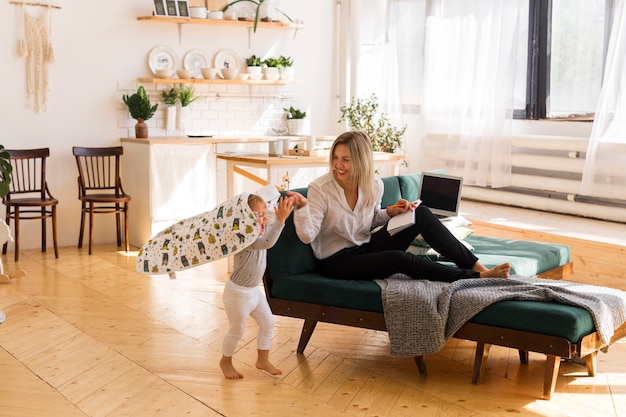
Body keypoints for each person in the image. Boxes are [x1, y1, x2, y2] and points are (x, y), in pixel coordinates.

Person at [285, 131, 510, 283]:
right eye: (335, 157)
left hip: (366, 247)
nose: (338, 165)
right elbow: (307, 236)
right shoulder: (320, 189)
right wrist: (302, 208)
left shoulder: (374, 185)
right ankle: (473, 279)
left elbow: (370, 218)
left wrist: (391, 212)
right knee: (398, 259)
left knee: (417, 212)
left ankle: (478, 267)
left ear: (362, 160)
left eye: (346, 159)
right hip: (337, 262)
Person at [220, 193, 294, 379]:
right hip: (237, 295)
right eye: (257, 215)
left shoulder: (259, 228)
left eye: (263, 215)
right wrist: (281, 220)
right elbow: (267, 243)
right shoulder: (242, 237)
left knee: (268, 323)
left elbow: (268, 218)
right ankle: (225, 361)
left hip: (253, 292)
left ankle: (262, 360)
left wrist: (274, 209)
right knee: (237, 330)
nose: (263, 219)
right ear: (244, 218)